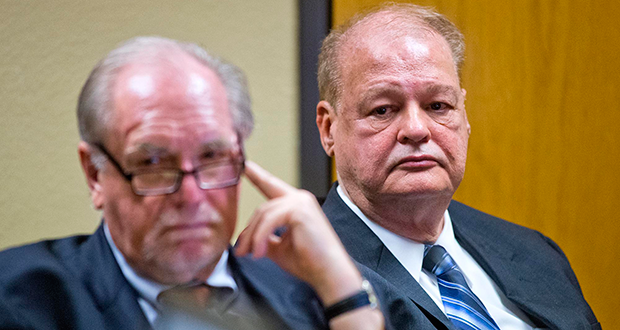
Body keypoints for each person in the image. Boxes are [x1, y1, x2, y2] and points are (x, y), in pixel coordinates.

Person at [0, 36, 384, 330]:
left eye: (213, 158)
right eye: (152, 163)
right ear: (95, 173)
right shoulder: (21, 299)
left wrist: (345, 295)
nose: (192, 196)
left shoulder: (317, 292)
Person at [315, 3, 600, 330]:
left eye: (438, 105)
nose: (417, 129)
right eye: (382, 109)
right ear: (328, 129)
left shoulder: (536, 253)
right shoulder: (295, 276)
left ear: (464, 116)